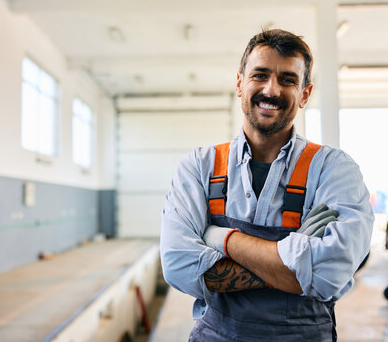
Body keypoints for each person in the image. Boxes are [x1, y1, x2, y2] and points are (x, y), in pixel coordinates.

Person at [160, 29, 374, 341]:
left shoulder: (334, 169)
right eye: (260, 75)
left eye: (288, 79)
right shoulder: (201, 166)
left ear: (304, 94)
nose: (271, 89)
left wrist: (222, 239)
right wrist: (295, 263)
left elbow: (332, 273)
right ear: (239, 84)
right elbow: (178, 265)